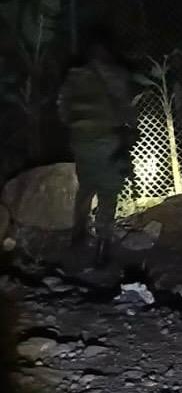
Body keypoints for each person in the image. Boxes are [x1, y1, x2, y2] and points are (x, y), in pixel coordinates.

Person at [57, 38, 137, 267]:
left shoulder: (73, 76)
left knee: (86, 188)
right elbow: (126, 109)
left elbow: (62, 110)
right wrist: (129, 132)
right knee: (108, 193)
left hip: (80, 141)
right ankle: (102, 246)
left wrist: (78, 128)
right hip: (108, 141)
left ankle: (78, 236)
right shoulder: (115, 74)